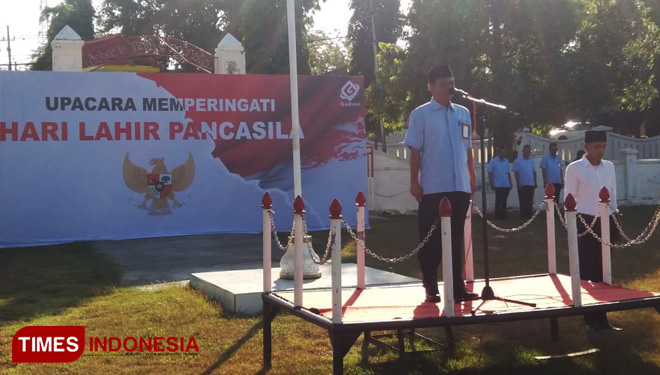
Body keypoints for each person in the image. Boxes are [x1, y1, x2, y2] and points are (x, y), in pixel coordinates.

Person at [404, 64, 479, 304]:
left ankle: (457, 286)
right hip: (433, 187)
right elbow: (414, 150)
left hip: (459, 186)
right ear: (431, 87)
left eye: (452, 82)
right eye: (444, 83)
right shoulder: (421, 114)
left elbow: (467, 149)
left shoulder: (463, 113)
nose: (450, 87)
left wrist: (471, 177)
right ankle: (430, 285)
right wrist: (414, 182)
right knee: (431, 239)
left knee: (456, 238)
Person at [564, 130, 622, 331]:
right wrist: (571, 226)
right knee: (588, 269)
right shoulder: (575, 169)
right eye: (597, 147)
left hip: (606, 219)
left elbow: (612, 192)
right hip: (585, 221)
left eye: (603, 146)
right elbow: (569, 198)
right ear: (585, 146)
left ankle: (603, 316)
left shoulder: (609, 167)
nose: (601, 151)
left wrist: (615, 212)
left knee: (604, 268)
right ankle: (589, 318)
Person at [512, 144, 537, 219]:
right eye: (526, 150)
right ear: (523, 151)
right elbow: (516, 172)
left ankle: (529, 216)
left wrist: (535, 182)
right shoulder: (518, 161)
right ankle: (523, 216)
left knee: (529, 200)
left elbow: (534, 172)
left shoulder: (531, 161)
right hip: (522, 184)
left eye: (529, 151)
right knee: (523, 200)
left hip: (530, 183)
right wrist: (518, 183)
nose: (528, 152)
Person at [487, 147, 512, 219]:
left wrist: (510, 182)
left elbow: (508, 173)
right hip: (498, 184)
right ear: (498, 153)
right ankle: (497, 216)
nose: (503, 154)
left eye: (504, 153)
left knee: (504, 201)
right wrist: (491, 184)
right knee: (498, 201)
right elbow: (490, 173)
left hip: (506, 184)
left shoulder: (506, 161)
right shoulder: (493, 161)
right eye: (501, 153)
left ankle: (503, 216)